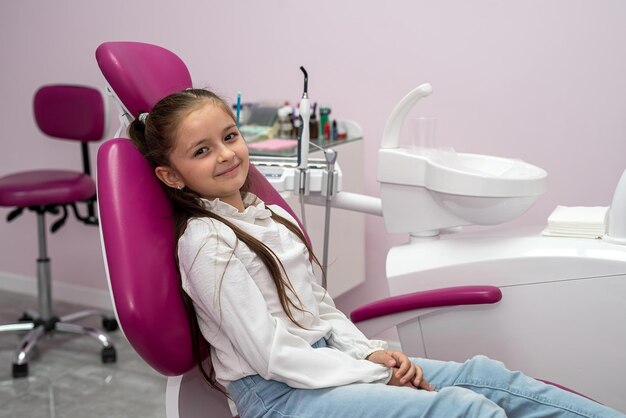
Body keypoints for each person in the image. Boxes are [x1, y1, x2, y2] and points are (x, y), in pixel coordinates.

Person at [129, 88, 626, 418]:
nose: (226, 154)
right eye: (201, 151)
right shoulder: (206, 242)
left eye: (230, 136)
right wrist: (375, 372)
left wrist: (371, 351)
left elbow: (320, 311)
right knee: (463, 410)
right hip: (280, 395)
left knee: (486, 376)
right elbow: (272, 355)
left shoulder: (269, 216)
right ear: (171, 176)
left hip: (328, 364)